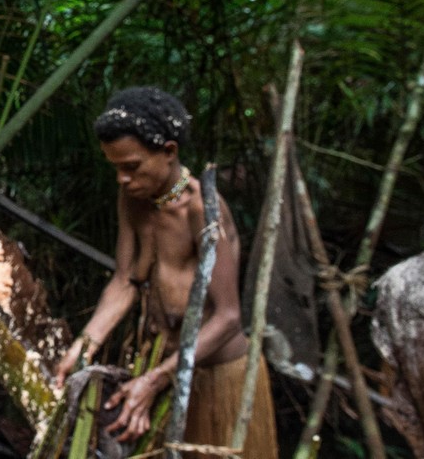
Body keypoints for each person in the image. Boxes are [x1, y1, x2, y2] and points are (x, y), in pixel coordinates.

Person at [51, 87, 277, 457]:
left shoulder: (201, 210)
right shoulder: (133, 198)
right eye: (116, 168)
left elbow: (229, 316)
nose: (122, 178)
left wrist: (155, 380)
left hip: (215, 377)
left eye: (132, 167)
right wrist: (83, 347)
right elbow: (125, 280)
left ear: (168, 152)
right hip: (159, 367)